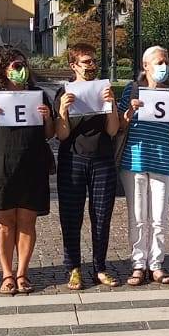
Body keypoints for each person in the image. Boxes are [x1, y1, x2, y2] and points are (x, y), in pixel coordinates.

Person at [0, 47, 53, 294]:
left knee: (27, 221)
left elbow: (50, 135)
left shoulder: (38, 95)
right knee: (5, 222)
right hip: (0, 166)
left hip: (32, 164)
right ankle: (7, 274)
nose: (21, 70)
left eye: (23, 65)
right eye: (16, 66)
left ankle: (23, 273)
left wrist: (48, 118)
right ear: (4, 70)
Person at [54, 44, 121, 289]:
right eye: (86, 62)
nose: (92, 66)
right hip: (72, 159)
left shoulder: (104, 89)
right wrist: (62, 111)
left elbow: (113, 130)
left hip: (102, 159)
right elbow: (61, 135)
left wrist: (112, 105)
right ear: (74, 66)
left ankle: (100, 267)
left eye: (94, 61)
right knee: (71, 216)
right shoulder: (64, 92)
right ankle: (73, 267)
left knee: (102, 216)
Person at [118, 46, 169, 286]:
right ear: (145, 66)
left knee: (159, 217)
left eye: (165, 61)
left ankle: (156, 264)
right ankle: (138, 264)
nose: (163, 66)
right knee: (137, 216)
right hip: (134, 160)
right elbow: (119, 126)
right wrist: (129, 111)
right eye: (158, 62)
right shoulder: (131, 90)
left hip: (162, 159)